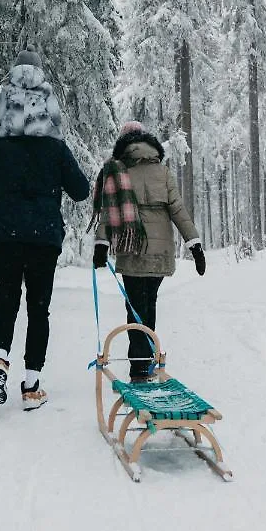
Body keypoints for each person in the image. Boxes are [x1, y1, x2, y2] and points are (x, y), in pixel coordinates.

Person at [0, 45, 90, 410]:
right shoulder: (55, 149)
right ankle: (32, 385)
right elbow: (82, 191)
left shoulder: (1, 148)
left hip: (6, 235)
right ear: (46, 104)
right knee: (39, 309)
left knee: (6, 302)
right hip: (44, 238)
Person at [90, 121, 206, 382]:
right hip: (159, 250)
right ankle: (146, 362)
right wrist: (194, 244)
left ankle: (139, 367)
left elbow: (109, 213)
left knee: (134, 309)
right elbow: (177, 209)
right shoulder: (162, 171)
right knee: (148, 304)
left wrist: (101, 244)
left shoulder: (118, 171)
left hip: (132, 249)